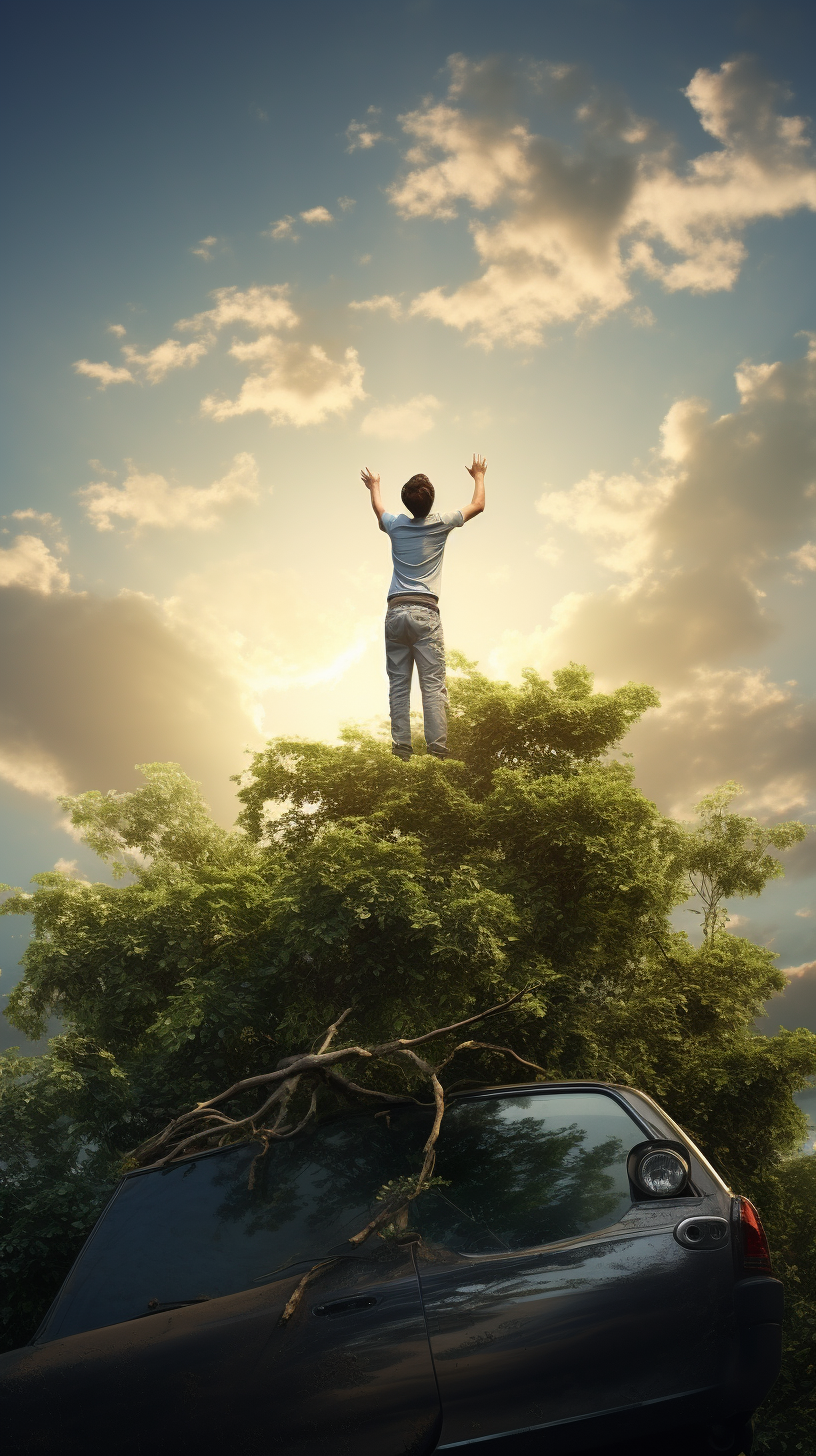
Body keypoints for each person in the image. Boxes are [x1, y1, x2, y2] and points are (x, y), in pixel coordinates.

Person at [361, 455, 487, 760]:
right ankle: (437, 756)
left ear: (406, 503)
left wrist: (374, 485)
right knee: (432, 687)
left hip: (396, 612)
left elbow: (379, 509)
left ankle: (401, 753)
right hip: (426, 613)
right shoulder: (441, 523)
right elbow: (478, 505)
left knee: (399, 687)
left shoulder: (394, 524)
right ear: (430, 503)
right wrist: (479, 475)